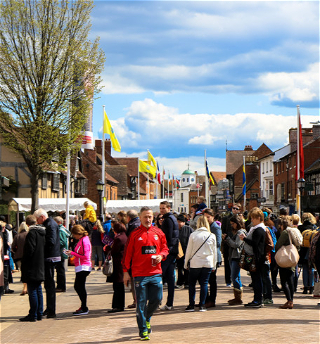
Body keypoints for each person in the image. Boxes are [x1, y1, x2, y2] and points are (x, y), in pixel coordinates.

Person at [123, 206, 169, 340]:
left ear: (152, 217)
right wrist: (126, 271)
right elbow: (127, 254)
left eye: (150, 217)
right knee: (141, 303)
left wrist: (162, 255)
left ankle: (147, 317)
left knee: (157, 299)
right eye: (145, 217)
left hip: (155, 273)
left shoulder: (159, 232)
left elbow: (165, 248)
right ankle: (143, 330)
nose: (148, 219)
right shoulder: (134, 234)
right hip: (139, 274)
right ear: (140, 217)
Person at [184, 215, 217, 312]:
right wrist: (214, 265)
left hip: (195, 262)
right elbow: (214, 252)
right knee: (204, 283)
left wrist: (186, 263)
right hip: (207, 262)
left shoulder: (193, 235)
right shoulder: (212, 236)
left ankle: (191, 304)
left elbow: (188, 251)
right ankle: (202, 304)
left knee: (192, 284)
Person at [33, 208, 61, 318]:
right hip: (51, 256)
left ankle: (51, 310)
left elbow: (51, 241)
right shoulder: (50, 223)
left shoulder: (50, 224)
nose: (37, 221)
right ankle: (49, 308)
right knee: (48, 284)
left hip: (50, 257)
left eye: (37, 219)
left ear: (42, 217)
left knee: (49, 284)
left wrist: (41, 247)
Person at [19, 215, 46, 322]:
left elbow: (29, 250)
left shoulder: (32, 233)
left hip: (32, 265)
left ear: (27, 224)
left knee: (33, 290)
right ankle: (39, 313)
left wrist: (24, 261)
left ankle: (33, 314)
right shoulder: (43, 233)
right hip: (40, 264)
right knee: (38, 289)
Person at [239, 207, 266, 308]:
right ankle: (257, 299)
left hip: (257, 257)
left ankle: (258, 299)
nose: (252, 220)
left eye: (253, 218)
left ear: (259, 218)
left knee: (256, 279)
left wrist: (244, 239)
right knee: (255, 279)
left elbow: (255, 244)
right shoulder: (256, 228)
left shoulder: (259, 229)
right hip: (256, 257)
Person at [65, 224, 92, 316]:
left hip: (84, 266)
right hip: (81, 266)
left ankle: (84, 307)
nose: (74, 236)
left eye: (74, 234)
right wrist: (73, 253)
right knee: (79, 286)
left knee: (79, 286)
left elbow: (86, 256)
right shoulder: (82, 240)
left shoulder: (84, 241)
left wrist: (73, 253)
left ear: (78, 233)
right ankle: (83, 306)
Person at [275, 216, 300, 309]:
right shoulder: (293, 231)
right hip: (292, 258)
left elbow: (277, 245)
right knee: (290, 281)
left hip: (285, 259)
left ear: (281, 225)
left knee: (284, 281)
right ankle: (291, 300)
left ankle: (289, 300)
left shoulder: (285, 233)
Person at [159, 201, 179, 311]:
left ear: (168, 208)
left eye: (163, 208)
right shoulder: (173, 218)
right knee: (171, 278)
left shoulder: (168, 220)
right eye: (160, 208)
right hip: (172, 251)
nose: (161, 210)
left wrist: (165, 250)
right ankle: (169, 303)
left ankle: (158, 300)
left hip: (168, 251)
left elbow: (167, 237)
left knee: (159, 276)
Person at [222, 215, 246, 305]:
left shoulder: (240, 232)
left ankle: (238, 298)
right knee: (236, 277)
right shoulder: (236, 232)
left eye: (233, 224)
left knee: (234, 277)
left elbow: (236, 244)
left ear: (237, 223)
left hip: (236, 256)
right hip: (232, 256)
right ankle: (237, 297)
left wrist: (227, 239)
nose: (232, 225)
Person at [203, 208, 222, 308]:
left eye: (208, 217)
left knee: (212, 280)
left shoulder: (215, 227)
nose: (206, 219)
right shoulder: (205, 226)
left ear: (213, 217)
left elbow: (218, 243)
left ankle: (212, 300)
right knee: (207, 279)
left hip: (214, 257)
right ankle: (206, 299)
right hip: (207, 256)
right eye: (205, 217)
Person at [108, 222, 127, 313]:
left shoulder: (119, 238)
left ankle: (117, 306)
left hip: (118, 264)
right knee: (119, 285)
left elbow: (114, 251)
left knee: (117, 285)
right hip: (122, 263)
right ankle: (119, 305)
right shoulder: (125, 237)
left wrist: (108, 248)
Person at [221, 203, 241, 287]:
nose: (235, 210)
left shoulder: (241, 219)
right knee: (227, 262)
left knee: (237, 263)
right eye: (233, 208)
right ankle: (228, 281)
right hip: (228, 243)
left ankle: (237, 280)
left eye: (236, 209)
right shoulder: (226, 218)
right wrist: (225, 238)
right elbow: (223, 230)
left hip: (237, 243)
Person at [298, 212, 318, 294]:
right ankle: (312, 287)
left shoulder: (300, 227)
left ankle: (305, 287)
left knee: (305, 268)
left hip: (303, 250)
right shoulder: (314, 227)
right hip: (312, 250)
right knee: (312, 268)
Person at [125, 209, 141, 309]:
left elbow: (130, 241)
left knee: (135, 280)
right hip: (138, 255)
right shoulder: (138, 224)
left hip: (135, 256)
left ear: (128, 217)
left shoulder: (133, 226)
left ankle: (136, 301)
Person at [11, 221, 29, 295]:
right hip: (28, 256)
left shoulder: (17, 236)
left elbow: (13, 247)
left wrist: (17, 251)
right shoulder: (29, 234)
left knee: (23, 271)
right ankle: (27, 287)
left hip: (19, 257)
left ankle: (25, 287)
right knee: (28, 271)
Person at [53, 216, 70, 293]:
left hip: (60, 252)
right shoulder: (60, 229)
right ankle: (60, 286)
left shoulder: (60, 230)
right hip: (61, 252)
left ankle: (61, 286)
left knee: (60, 270)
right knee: (60, 270)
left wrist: (55, 243)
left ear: (59, 222)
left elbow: (62, 242)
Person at [176, 214, 193, 289]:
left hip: (187, 251)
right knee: (179, 268)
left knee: (186, 268)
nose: (179, 223)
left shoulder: (188, 229)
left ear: (184, 222)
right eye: (178, 222)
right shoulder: (175, 229)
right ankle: (180, 282)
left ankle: (187, 282)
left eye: (180, 222)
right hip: (178, 252)